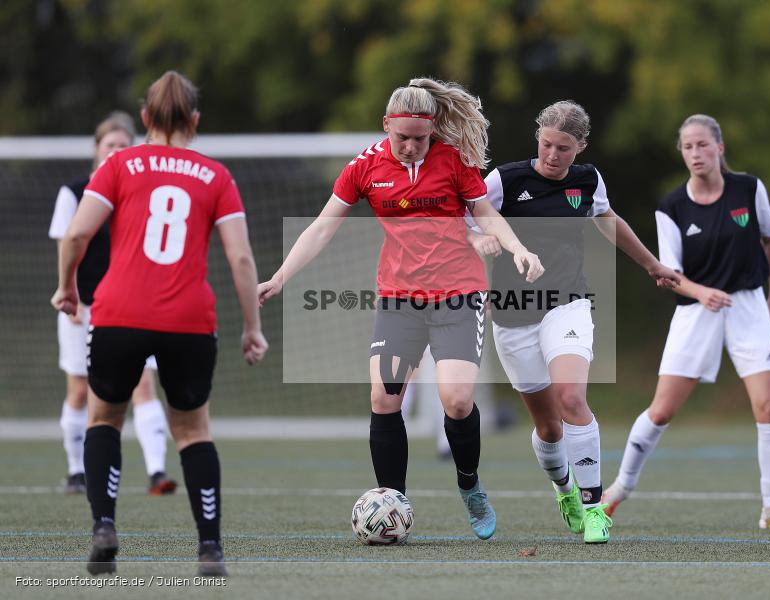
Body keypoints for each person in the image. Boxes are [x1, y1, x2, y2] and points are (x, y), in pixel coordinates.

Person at [258, 77, 543, 540]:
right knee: (384, 397)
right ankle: (393, 502)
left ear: (432, 131)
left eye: (420, 139)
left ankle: (469, 485)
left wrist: (518, 249)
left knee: (457, 400)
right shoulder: (364, 167)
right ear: (386, 125)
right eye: (402, 137)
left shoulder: (453, 160)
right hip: (399, 300)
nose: (411, 146)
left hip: (458, 294)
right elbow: (322, 228)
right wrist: (279, 277)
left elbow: (486, 214)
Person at [51, 71, 268, 576]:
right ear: (195, 119)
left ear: (145, 117)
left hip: (118, 314)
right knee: (192, 432)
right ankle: (210, 548)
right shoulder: (216, 175)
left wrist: (67, 287)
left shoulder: (118, 164)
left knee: (104, 420)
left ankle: (104, 526)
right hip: (188, 320)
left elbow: (76, 235)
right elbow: (240, 259)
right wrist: (252, 327)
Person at [468, 100, 680, 544]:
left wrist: (652, 265)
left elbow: (608, 220)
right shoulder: (505, 180)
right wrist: (478, 239)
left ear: (580, 146)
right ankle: (564, 488)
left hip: (567, 303)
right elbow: (461, 218)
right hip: (512, 313)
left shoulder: (588, 181)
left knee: (571, 397)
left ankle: (594, 507)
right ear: (538, 138)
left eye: (563, 148)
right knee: (548, 428)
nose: (552, 155)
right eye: (546, 144)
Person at [601, 114, 770, 530]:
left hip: (748, 306)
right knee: (661, 411)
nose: (695, 153)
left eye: (702, 144)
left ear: (719, 148)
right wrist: (701, 293)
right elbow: (668, 273)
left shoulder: (749, 189)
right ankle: (618, 489)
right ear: (682, 153)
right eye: (688, 146)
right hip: (696, 311)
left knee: (768, 406)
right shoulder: (671, 206)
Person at [49, 112, 177, 497]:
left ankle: (157, 472)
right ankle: (77, 471)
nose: (116, 151)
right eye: (110, 145)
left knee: (144, 384)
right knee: (80, 388)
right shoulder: (74, 193)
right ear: (96, 148)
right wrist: (70, 294)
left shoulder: (141, 194)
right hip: (84, 307)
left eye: (124, 145)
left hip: (132, 308)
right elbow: (67, 246)